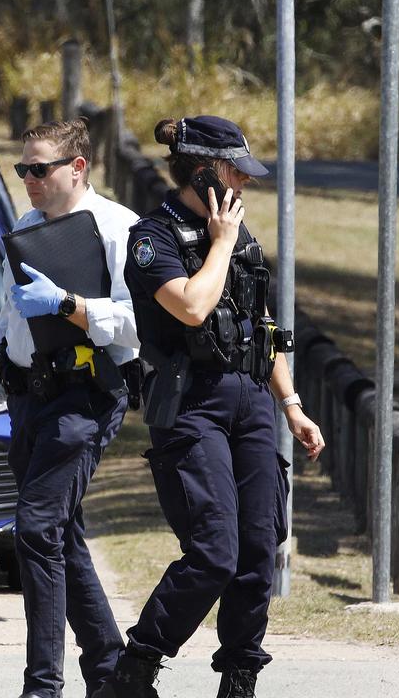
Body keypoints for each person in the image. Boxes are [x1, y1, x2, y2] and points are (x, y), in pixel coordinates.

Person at [99, 116, 326, 698]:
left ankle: (240, 676)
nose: (244, 186)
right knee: (214, 552)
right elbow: (194, 309)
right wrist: (221, 243)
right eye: (234, 174)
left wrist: (293, 406)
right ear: (202, 174)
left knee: (258, 546)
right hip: (193, 405)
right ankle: (138, 664)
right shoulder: (153, 238)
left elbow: (262, 328)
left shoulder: (240, 237)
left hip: (252, 402)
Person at [0, 120, 141, 698]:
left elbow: (140, 324)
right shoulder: (24, 229)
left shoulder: (118, 229)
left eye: (39, 168)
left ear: (77, 167)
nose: (27, 178)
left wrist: (71, 305)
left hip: (86, 398)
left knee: (36, 527)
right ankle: (111, 674)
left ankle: (42, 686)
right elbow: (9, 323)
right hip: (28, 399)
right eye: (22, 168)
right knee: (58, 534)